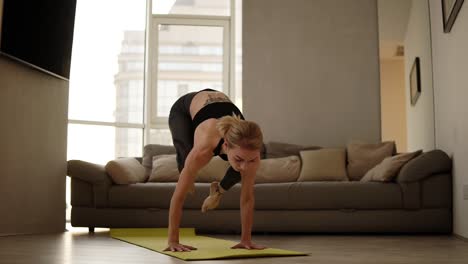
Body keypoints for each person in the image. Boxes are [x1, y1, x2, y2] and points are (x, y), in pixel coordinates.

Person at [164, 88, 266, 252]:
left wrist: (246, 240)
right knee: (186, 162)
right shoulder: (204, 147)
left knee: (243, 167)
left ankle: (218, 191)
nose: (245, 166)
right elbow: (178, 196)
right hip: (183, 109)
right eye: (239, 158)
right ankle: (188, 174)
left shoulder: (251, 149)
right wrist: (173, 241)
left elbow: (247, 197)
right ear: (225, 146)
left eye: (252, 159)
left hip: (221, 115)